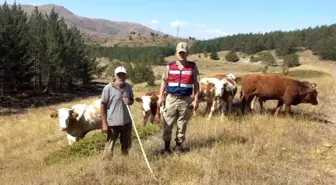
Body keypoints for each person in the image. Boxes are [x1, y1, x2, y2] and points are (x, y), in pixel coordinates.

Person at [157, 42, 200, 154]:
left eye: (184, 53)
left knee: (182, 123)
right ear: (176, 53)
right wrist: (160, 97)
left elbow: (196, 83)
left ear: (187, 54)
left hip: (185, 100)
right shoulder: (169, 66)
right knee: (167, 123)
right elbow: (163, 81)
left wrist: (196, 100)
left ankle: (178, 146)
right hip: (171, 99)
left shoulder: (192, 67)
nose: (181, 55)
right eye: (179, 52)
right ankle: (166, 148)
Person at [101, 66, 134, 159]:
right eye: (118, 75)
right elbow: (102, 105)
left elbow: (132, 100)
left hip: (126, 122)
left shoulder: (128, 87)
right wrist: (104, 124)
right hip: (112, 123)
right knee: (109, 146)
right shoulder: (108, 88)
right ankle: (106, 166)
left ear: (125, 76)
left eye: (123, 75)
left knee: (126, 146)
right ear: (115, 75)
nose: (121, 77)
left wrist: (129, 101)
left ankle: (124, 163)